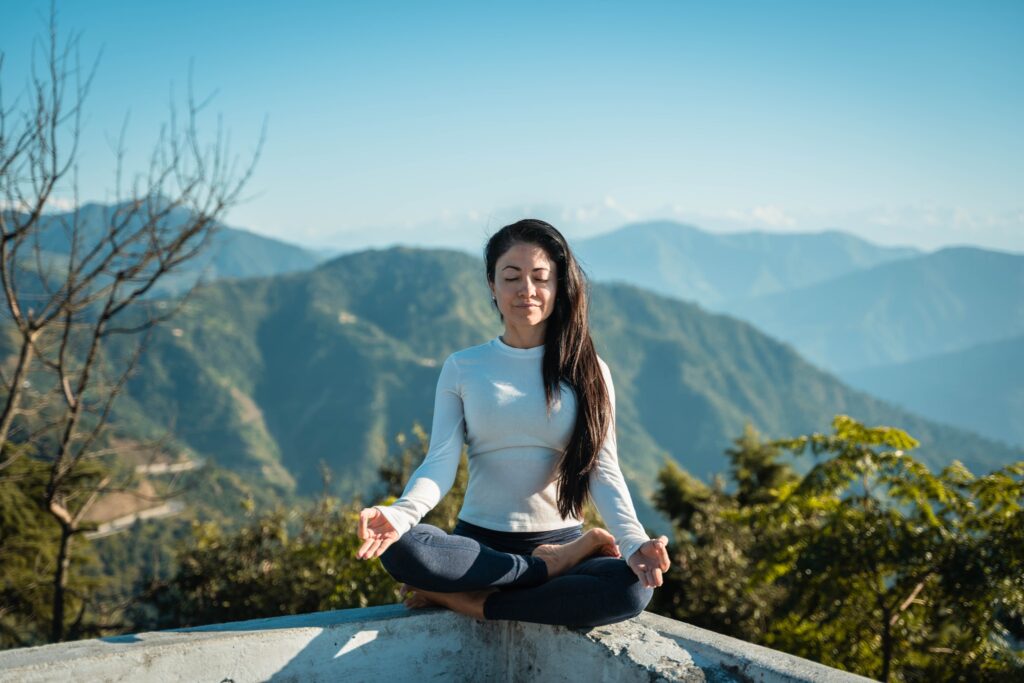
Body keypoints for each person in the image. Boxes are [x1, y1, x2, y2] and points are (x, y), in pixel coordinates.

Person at [355, 218, 671, 629]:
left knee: (632, 590)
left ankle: (476, 603)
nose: (527, 290)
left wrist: (633, 542)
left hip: (562, 538)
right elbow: (440, 462)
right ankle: (540, 573)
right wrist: (399, 515)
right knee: (403, 549)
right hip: (481, 549)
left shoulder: (589, 370)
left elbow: (602, 468)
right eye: (512, 277)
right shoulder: (464, 367)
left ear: (559, 286)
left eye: (541, 278)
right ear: (492, 285)